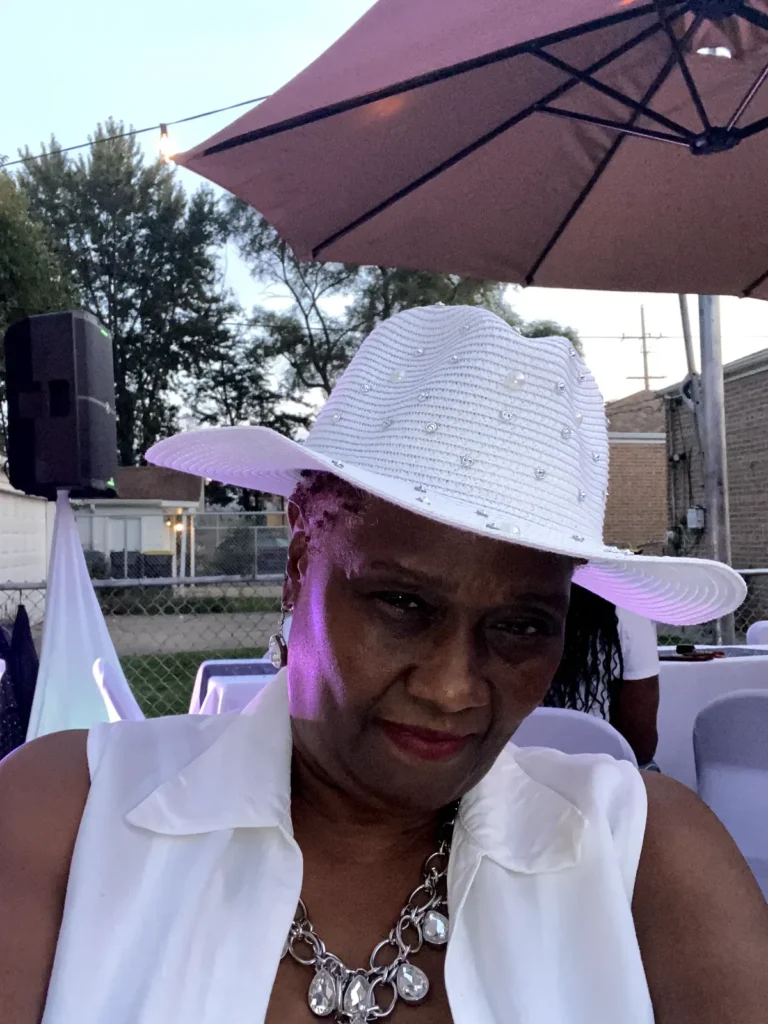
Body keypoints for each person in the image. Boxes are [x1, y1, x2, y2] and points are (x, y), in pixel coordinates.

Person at [1, 305, 766, 1024]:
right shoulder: (69, 818)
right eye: (402, 604)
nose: (451, 688)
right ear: (300, 560)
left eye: (521, 627)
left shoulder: (646, 857)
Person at [546, 585, 661, 765]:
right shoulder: (629, 613)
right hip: (598, 765)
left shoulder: (513, 609)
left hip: (512, 762)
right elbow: (641, 745)